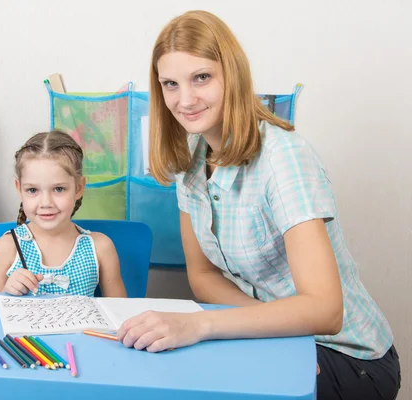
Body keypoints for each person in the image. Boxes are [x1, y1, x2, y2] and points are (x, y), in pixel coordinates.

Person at [117, 10, 400, 399]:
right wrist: (265, 333)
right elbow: (202, 277)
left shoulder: (284, 157)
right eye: (170, 84)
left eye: (201, 77)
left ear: (231, 74)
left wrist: (200, 326)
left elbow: (325, 311)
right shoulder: (191, 164)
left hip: (349, 357)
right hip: (279, 335)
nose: (185, 99)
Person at [0, 130, 127, 298]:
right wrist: (6, 292)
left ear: (79, 188)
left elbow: (120, 312)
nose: (46, 203)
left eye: (59, 189)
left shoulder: (100, 247)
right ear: (19, 189)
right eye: (32, 190)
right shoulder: (7, 247)